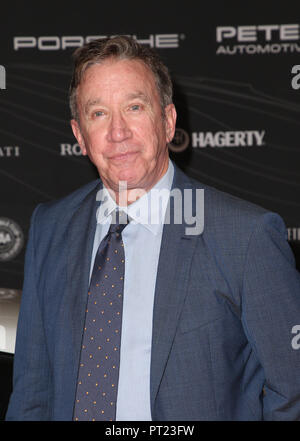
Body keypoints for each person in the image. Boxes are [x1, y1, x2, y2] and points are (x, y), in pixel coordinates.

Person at [6, 36, 300, 421]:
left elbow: (291, 390)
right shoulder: (51, 227)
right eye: (98, 114)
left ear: (168, 121)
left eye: (134, 107)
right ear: (79, 136)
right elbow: (32, 391)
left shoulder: (244, 236)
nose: (118, 132)